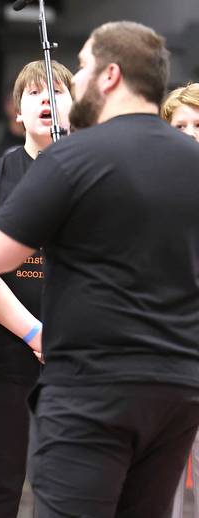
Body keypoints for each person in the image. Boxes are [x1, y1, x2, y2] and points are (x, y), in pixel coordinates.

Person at [0, 21, 199, 517]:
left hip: (98, 387)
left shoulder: (78, 157)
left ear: (111, 76)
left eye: (84, 67)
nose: (76, 80)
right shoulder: (191, 159)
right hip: (180, 388)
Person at [0, 59, 72, 518]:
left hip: (80, 360)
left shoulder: (97, 176)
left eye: (58, 91)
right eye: (33, 93)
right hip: (4, 357)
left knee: (73, 487)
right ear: (18, 114)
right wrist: (34, 334)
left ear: (78, 106)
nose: (46, 98)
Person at [162, 81, 199, 518]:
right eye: (179, 124)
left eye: (197, 124)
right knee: (162, 481)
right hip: (166, 354)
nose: (189, 132)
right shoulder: (149, 192)